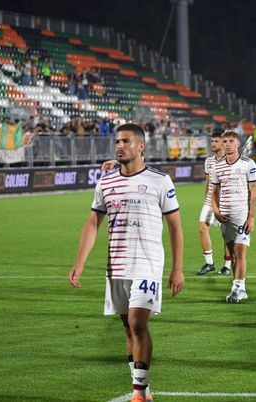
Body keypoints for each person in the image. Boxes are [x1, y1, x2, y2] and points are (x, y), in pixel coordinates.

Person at [69, 123, 184, 402]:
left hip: (148, 263)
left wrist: (177, 268)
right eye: (117, 141)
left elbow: (175, 227)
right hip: (116, 265)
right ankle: (144, 388)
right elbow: (93, 222)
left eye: (126, 141)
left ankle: (137, 394)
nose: (120, 146)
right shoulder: (106, 182)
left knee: (137, 322)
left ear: (141, 146)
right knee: (127, 327)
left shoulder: (159, 180)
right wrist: (80, 261)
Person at [211, 130, 256, 303]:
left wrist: (251, 217)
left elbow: (254, 192)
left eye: (231, 141)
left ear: (238, 144)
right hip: (225, 216)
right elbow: (214, 192)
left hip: (241, 215)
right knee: (232, 255)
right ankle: (241, 287)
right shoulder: (217, 166)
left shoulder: (248, 164)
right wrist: (216, 211)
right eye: (225, 142)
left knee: (240, 253)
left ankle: (236, 288)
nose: (228, 144)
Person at [196, 131, 233, 276]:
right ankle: (209, 263)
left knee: (227, 234)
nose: (213, 144)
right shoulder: (209, 161)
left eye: (216, 141)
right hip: (210, 201)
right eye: (211, 141)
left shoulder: (230, 160)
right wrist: (207, 198)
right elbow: (207, 182)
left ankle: (227, 265)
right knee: (202, 228)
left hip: (226, 202)